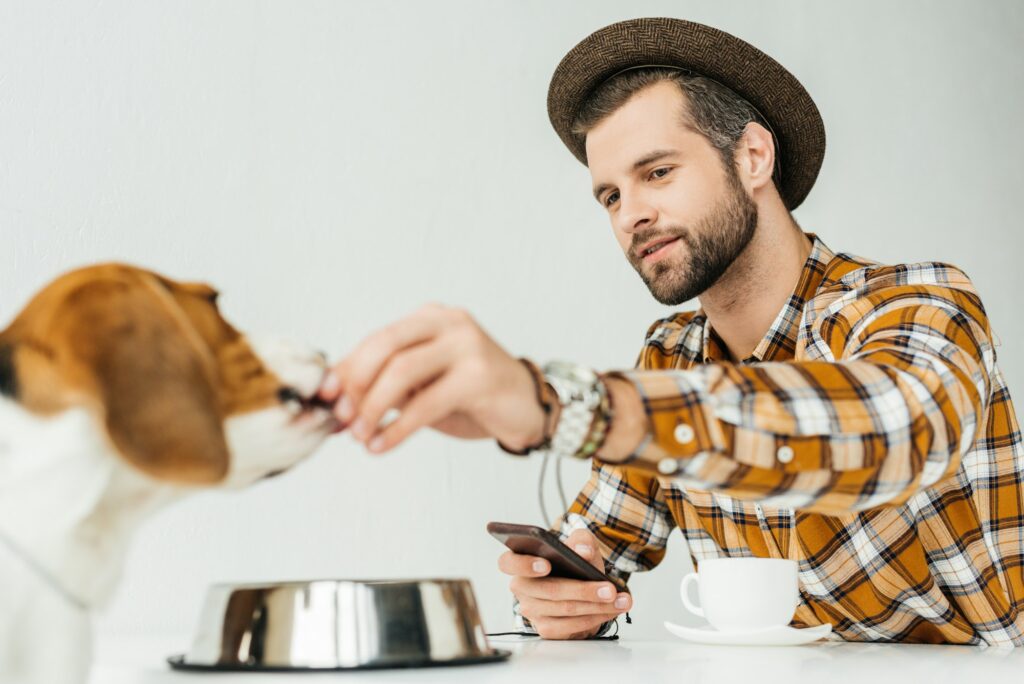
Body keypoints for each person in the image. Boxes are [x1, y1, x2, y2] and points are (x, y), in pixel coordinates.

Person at [317, 18, 1023, 645]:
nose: (630, 215)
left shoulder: (920, 304)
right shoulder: (670, 357)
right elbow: (599, 547)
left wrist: (554, 404)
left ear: (752, 157)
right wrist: (565, 596)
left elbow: (889, 430)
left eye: (656, 172)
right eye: (611, 195)